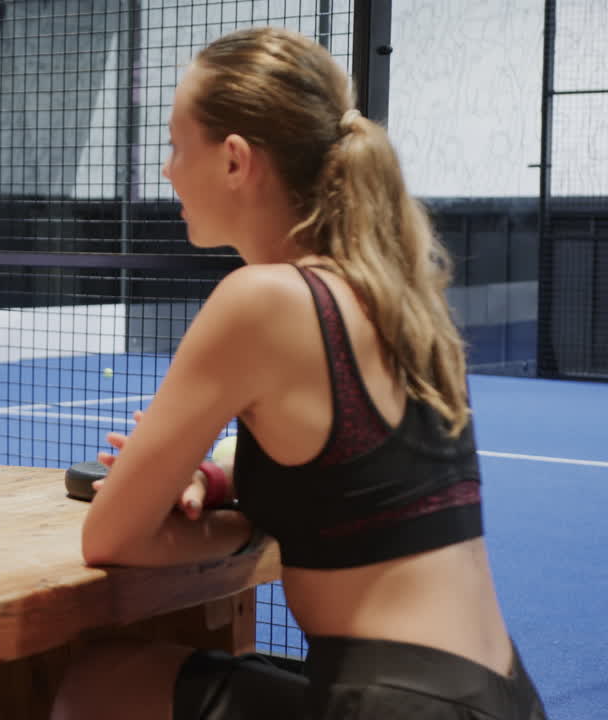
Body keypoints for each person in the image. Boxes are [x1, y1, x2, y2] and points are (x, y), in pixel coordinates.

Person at [51, 27, 546, 720]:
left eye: (175, 146)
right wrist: (220, 483)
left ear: (234, 160)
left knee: (96, 687)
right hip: (501, 698)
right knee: (140, 676)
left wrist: (236, 524)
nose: (166, 171)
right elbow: (351, 481)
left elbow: (110, 537)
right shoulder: (399, 298)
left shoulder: (263, 300)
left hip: (402, 706)